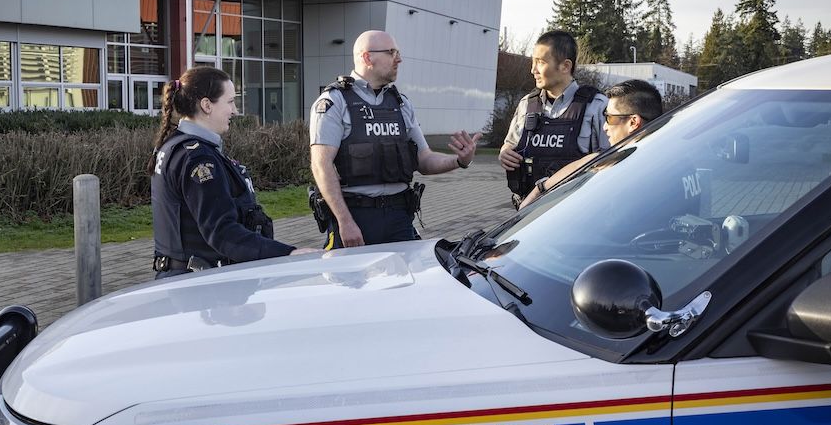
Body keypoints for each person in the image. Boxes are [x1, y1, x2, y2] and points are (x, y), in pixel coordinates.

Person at [310, 30, 481, 248]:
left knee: (403, 283)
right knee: (350, 282)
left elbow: (424, 159)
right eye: (392, 53)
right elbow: (321, 166)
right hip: (356, 219)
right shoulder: (334, 102)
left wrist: (459, 161)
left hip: (399, 218)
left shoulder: (401, 103)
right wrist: (345, 221)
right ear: (367, 57)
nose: (399, 59)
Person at [149, 66, 314, 279]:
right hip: (199, 289)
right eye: (230, 102)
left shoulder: (177, 146)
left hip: (184, 280)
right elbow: (221, 232)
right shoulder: (198, 158)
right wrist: (288, 253)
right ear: (207, 105)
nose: (235, 110)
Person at [499, 30, 610, 206]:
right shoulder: (527, 104)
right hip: (529, 212)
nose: (532, 70)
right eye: (532, 62)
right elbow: (510, 144)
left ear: (565, 66)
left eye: (540, 62)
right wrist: (505, 153)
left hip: (578, 210)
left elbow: (610, 163)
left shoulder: (597, 106)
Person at [520, 79, 663, 206]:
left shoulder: (631, 171)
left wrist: (538, 192)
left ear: (633, 122)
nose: (605, 127)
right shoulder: (666, 155)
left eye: (609, 118)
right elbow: (590, 161)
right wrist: (540, 189)